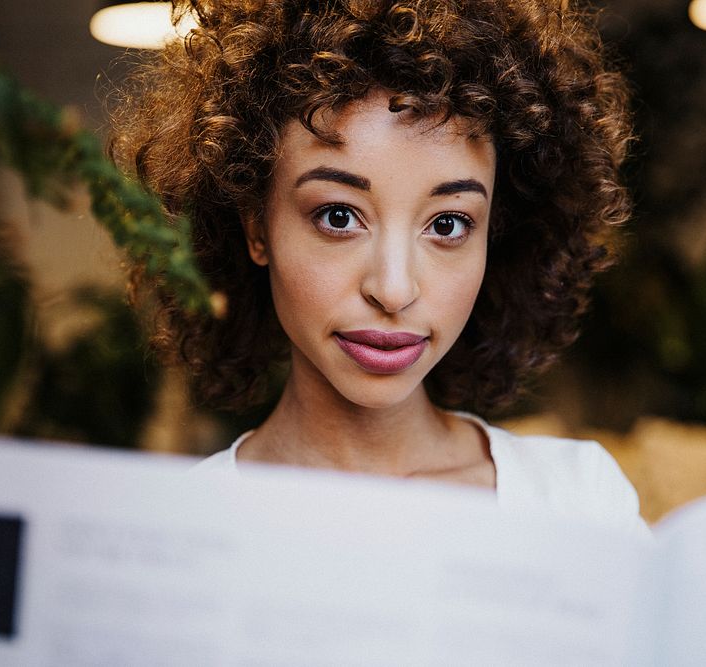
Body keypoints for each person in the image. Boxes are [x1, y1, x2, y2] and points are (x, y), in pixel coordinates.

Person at [112, 0, 646, 532]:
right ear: (257, 228)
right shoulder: (174, 529)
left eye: (447, 225)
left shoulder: (579, 506)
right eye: (339, 217)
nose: (393, 290)